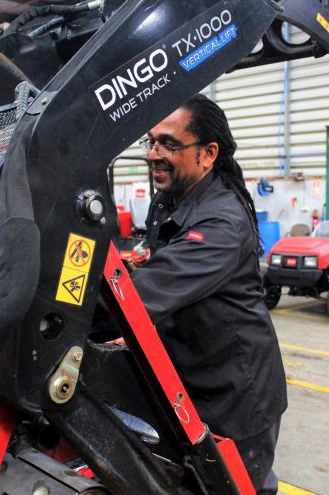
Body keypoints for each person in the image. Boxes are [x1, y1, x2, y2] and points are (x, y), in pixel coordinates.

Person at [129, 94, 287, 494]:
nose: (153, 154)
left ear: (208, 154)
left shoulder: (220, 222)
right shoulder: (171, 200)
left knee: (233, 486)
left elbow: (143, 295)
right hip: (193, 374)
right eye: (151, 142)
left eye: (169, 144)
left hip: (235, 394)